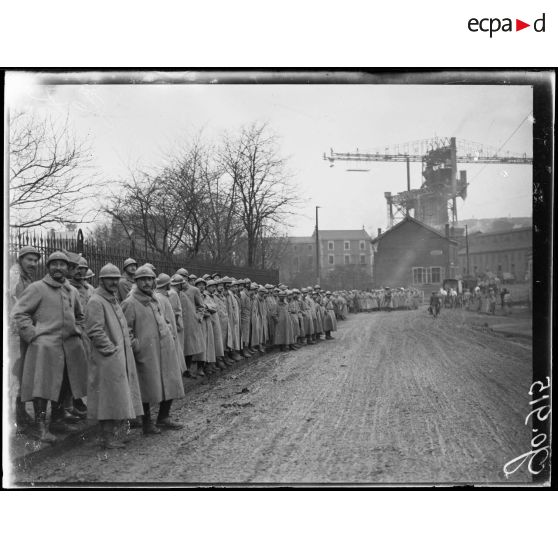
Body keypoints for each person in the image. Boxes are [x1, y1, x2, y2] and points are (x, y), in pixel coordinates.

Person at [11, 251, 88, 443]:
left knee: (64, 385)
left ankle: (57, 421)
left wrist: (77, 330)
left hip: (69, 346)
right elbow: (19, 313)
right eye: (54, 264)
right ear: (48, 267)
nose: (58, 268)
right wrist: (33, 336)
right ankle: (39, 428)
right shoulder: (38, 288)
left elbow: (80, 315)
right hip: (45, 347)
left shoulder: (72, 291)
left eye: (62, 264)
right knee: (43, 388)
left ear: (67, 268)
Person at [85, 264, 144, 449]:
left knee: (116, 396)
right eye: (109, 278)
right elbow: (95, 330)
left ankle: (111, 435)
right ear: (101, 280)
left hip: (118, 356)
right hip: (107, 358)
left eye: (116, 278)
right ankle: (106, 438)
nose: (113, 282)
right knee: (107, 398)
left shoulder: (112, 299)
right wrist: (110, 349)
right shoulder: (96, 301)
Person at [121, 265, 185, 434]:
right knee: (147, 388)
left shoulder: (156, 299)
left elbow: (165, 319)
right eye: (143, 279)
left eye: (150, 279)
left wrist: (169, 333)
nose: (147, 283)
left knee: (171, 382)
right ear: (136, 282)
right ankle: (147, 423)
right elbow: (126, 331)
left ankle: (164, 417)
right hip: (146, 353)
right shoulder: (130, 302)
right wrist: (138, 347)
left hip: (165, 349)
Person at [8, 246, 41, 432]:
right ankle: (15, 419)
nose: (33, 264)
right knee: (14, 375)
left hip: (24, 332)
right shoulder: (15, 278)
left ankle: (20, 416)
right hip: (14, 334)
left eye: (36, 261)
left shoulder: (28, 279)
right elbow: (16, 308)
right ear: (20, 260)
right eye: (29, 260)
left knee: (21, 374)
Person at [177, 269, 206, 377]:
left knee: (189, 346)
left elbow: (201, 306)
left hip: (190, 322)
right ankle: (180, 369)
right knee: (180, 345)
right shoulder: (174, 290)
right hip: (179, 321)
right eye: (179, 276)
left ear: (187, 278)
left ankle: (187, 369)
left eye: (183, 277)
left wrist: (198, 317)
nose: (181, 279)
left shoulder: (194, 290)